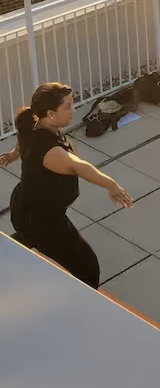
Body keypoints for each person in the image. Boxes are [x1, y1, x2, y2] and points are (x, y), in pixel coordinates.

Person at [2, 82, 133, 287]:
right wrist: (112, 185)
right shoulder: (52, 152)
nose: (74, 110)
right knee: (86, 267)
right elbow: (80, 166)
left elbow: (23, 136)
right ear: (50, 114)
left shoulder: (34, 123)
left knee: (35, 239)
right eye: (68, 106)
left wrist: (14, 153)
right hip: (41, 218)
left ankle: (13, 250)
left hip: (27, 207)